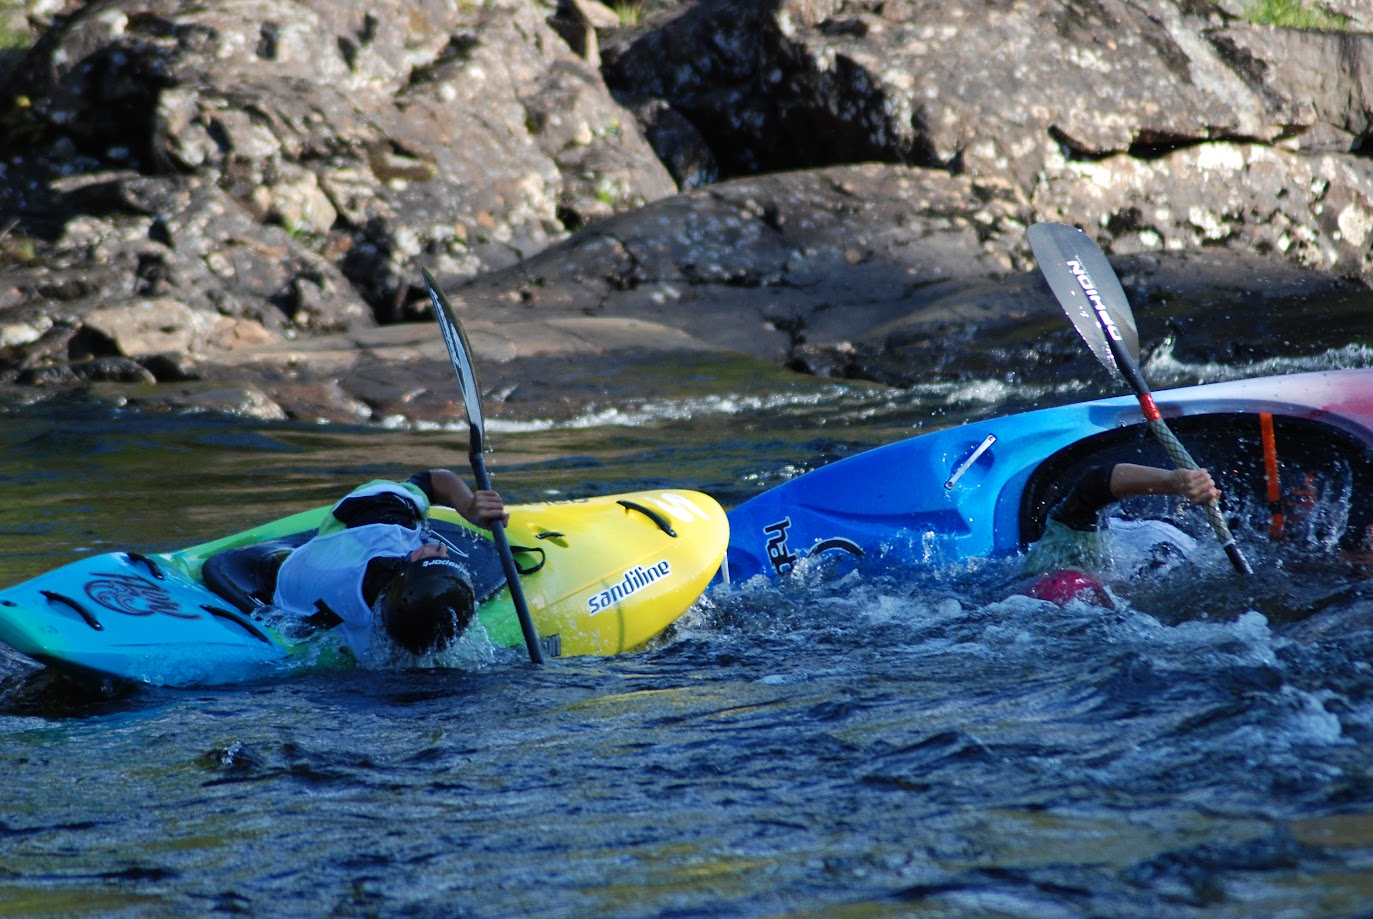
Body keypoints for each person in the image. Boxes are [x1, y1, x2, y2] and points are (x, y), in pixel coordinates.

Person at [272, 468, 506, 659]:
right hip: (300, 572)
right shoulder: (383, 512)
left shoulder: (388, 512)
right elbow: (434, 479)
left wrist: (469, 507)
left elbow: (435, 480)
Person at [1022, 463, 1220, 605]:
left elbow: (1095, 483)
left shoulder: (1060, 553)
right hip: (1196, 534)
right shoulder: (1151, 603)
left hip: (1151, 501)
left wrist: (1172, 481)